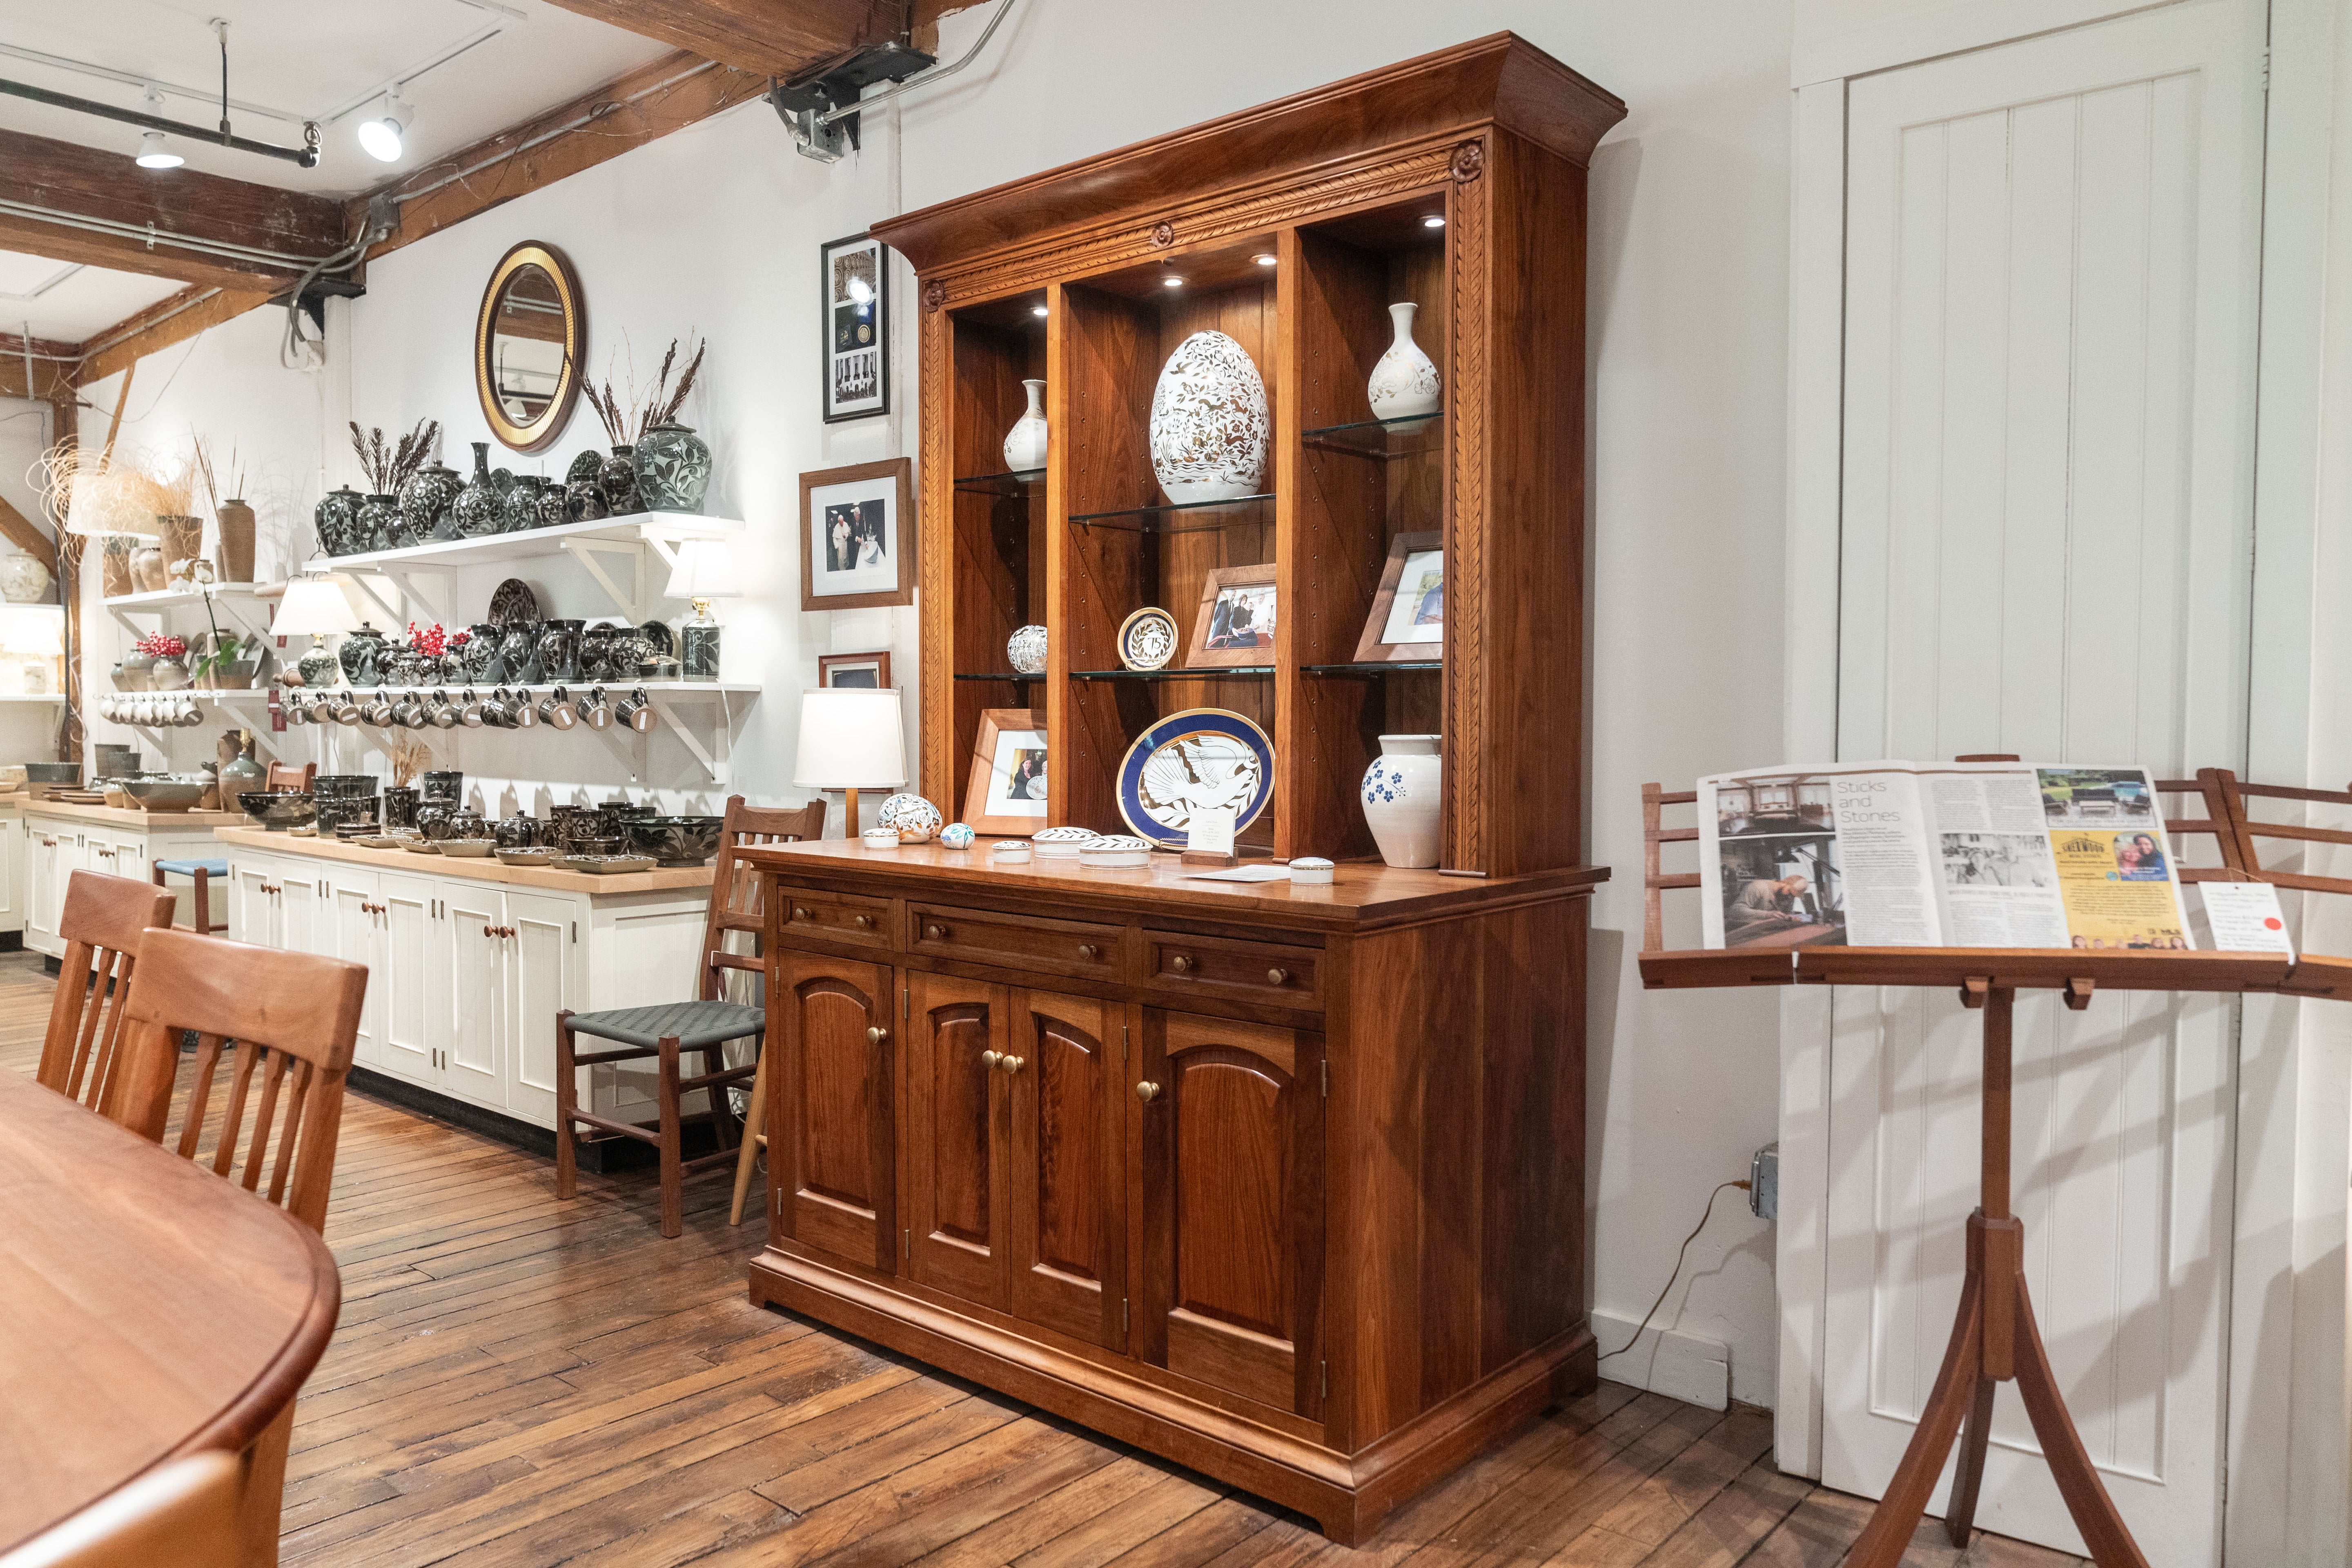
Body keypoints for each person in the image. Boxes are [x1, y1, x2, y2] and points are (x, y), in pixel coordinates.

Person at [1724, 874, 1812, 941]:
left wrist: (1788, 918)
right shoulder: (1758, 887)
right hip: (1741, 934)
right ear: (1784, 882)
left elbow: (1785, 915)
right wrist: (1768, 914)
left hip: (1764, 933)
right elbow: (1735, 911)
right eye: (1789, 892)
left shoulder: (1789, 896)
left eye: (1793, 896)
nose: (1790, 898)